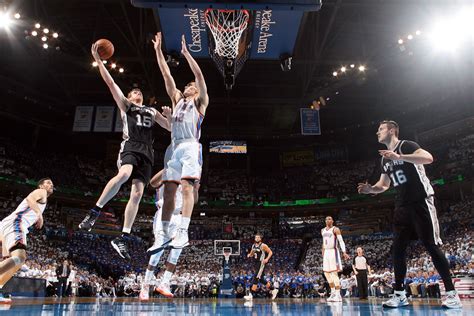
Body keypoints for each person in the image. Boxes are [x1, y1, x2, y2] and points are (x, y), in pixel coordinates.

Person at [78, 42, 171, 260]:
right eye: (133, 91)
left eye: (139, 91)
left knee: (138, 194)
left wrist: (171, 113)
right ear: (129, 96)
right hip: (131, 145)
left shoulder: (151, 110)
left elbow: (170, 127)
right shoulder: (126, 106)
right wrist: (99, 61)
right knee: (124, 174)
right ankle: (95, 212)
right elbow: (110, 83)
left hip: (148, 152)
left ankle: (123, 236)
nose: (137, 91)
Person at [357, 120, 462, 309]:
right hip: (401, 206)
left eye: (380, 129)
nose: (377, 132)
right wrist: (370, 189)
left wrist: (399, 156)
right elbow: (384, 185)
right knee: (397, 250)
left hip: (421, 200)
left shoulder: (406, 145)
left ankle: (452, 294)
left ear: (391, 130)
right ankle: (399, 295)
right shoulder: (383, 159)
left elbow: (428, 158)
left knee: (431, 246)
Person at [153, 32, 209, 249]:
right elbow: (166, 75)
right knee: (168, 192)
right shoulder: (177, 99)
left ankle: (184, 231)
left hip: (190, 146)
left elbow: (200, 77)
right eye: (187, 86)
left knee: (187, 188)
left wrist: (186, 54)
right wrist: (158, 51)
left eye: (191, 86)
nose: (188, 87)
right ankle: (165, 233)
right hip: (175, 147)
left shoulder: (200, 102)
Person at [139, 169, 200, 301]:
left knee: (176, 254)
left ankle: (164, 283)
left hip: (180, 216)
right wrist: (167, 167)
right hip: (164, 214)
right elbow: (153, 183)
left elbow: (194, 201)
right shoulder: (169, 172)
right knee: (157, 254)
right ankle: (146, 285)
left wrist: (195, 188)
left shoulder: (188, 177)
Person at [0, 178, 54, 303]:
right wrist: (39, 214)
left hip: (9, 224)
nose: (51, 185)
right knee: (20, 257)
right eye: (48, 183)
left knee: (16, 262)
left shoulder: (43, 199)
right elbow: (30, 199)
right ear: (41, 185)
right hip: (17, 223)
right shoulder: (41, 192)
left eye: (52, 184)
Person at [321, 216, 350, 303]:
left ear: (332, 221)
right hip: (326, 252)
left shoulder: (335, 229)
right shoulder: (322, 230)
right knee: (326, 273)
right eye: (326, 219)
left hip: (333, 252)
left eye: (329, 219)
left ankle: (338, 294)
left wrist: (344, 252)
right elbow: (323, 242)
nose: (328, 220)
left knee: (334, 273)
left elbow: (341, 241)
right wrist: (323, 251)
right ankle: (333, 292)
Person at [244, 233, 277, 300]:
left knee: (256, 277)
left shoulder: (263, 245)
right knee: (261, 279)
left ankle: (251, 295)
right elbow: (252, 253)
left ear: (260, 239)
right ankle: (273, 289)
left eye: (258, 237)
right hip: (256, 263)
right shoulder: (253, 245)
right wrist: (249, 255)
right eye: (256, 237)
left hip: (261, 263)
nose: (257, 238)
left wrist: (267, 259)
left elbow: (270, 252)